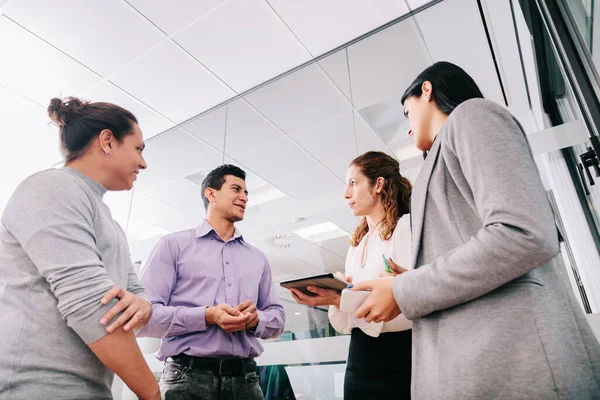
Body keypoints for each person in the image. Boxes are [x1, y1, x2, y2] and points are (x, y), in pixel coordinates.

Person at [351, 61, 600, 398]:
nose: (408, 129)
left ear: (427, 90)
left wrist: (406, 289)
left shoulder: (472, 116)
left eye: (407, 113)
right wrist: (407, 281)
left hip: (515, 363)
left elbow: (522, 232)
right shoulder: (441, 157)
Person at [0, 97, 160, 399]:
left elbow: (134, 292)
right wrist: (152, 392)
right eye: (138, 148)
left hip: (91, 389)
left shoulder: (110, 223)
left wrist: (144, 305)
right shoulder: (51, 187)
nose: (143, 162)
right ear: (107, 141)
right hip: (35, 388)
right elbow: (90, 304)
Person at [137, 164, 286, 400]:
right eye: (236, 189)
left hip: (245, 381)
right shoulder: (172, 246)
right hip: (187, 379)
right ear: (211, 193)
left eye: (246, 192)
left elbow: (277, 318)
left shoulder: (257, 258)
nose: (244, 197)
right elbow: (143, 318)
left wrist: (257, 319)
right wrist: (206, 316)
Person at [290, 151, 413, 399]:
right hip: (359, 357)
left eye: (353, 183)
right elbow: (345, 323)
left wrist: (341, 298)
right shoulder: (356, 244)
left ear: (378, 184)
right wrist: (339, 295)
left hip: (400, 355)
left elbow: (409, 305)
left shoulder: (406, 228)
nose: (346, 193)